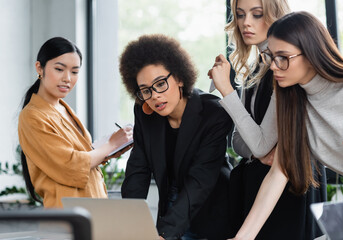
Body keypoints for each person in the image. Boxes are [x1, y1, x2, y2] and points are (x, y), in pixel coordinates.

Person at [229, 11, 343, 240]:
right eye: (270, 56)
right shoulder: (292, 102)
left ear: (310, 54)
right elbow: (279, 172)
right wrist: (243, 237)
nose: (273, 66)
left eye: (283, 57)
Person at [208, 1, 325, 239]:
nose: (245, 23)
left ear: (275, 15)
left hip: (291, 194)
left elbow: (259, 144)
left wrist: (227, 92)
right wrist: (258, 153)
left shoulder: (284, 73)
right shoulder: (254, 71)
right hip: (256, 186)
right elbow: (239, 143)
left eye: (257, 14)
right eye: (240, 15)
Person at [119, 34, 233, 240]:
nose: (154, 96)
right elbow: (138, 169)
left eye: (160, 83)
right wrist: (129, 225)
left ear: (180, 78)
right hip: (171, 204)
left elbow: (200, 182)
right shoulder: (146, 113)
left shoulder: (212, 112)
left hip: (211, 210)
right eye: (145, 90)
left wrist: (164, 234)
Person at [18, 37, 133, 208]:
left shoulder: (64, 109)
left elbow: (80, 156)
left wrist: (108, 152)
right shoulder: (32, 116)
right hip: (66, 212)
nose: (67, 78)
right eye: (59, 69)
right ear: (39, 68)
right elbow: (70, 165)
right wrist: (109, 145)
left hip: (91, 208)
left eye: (75, 71)